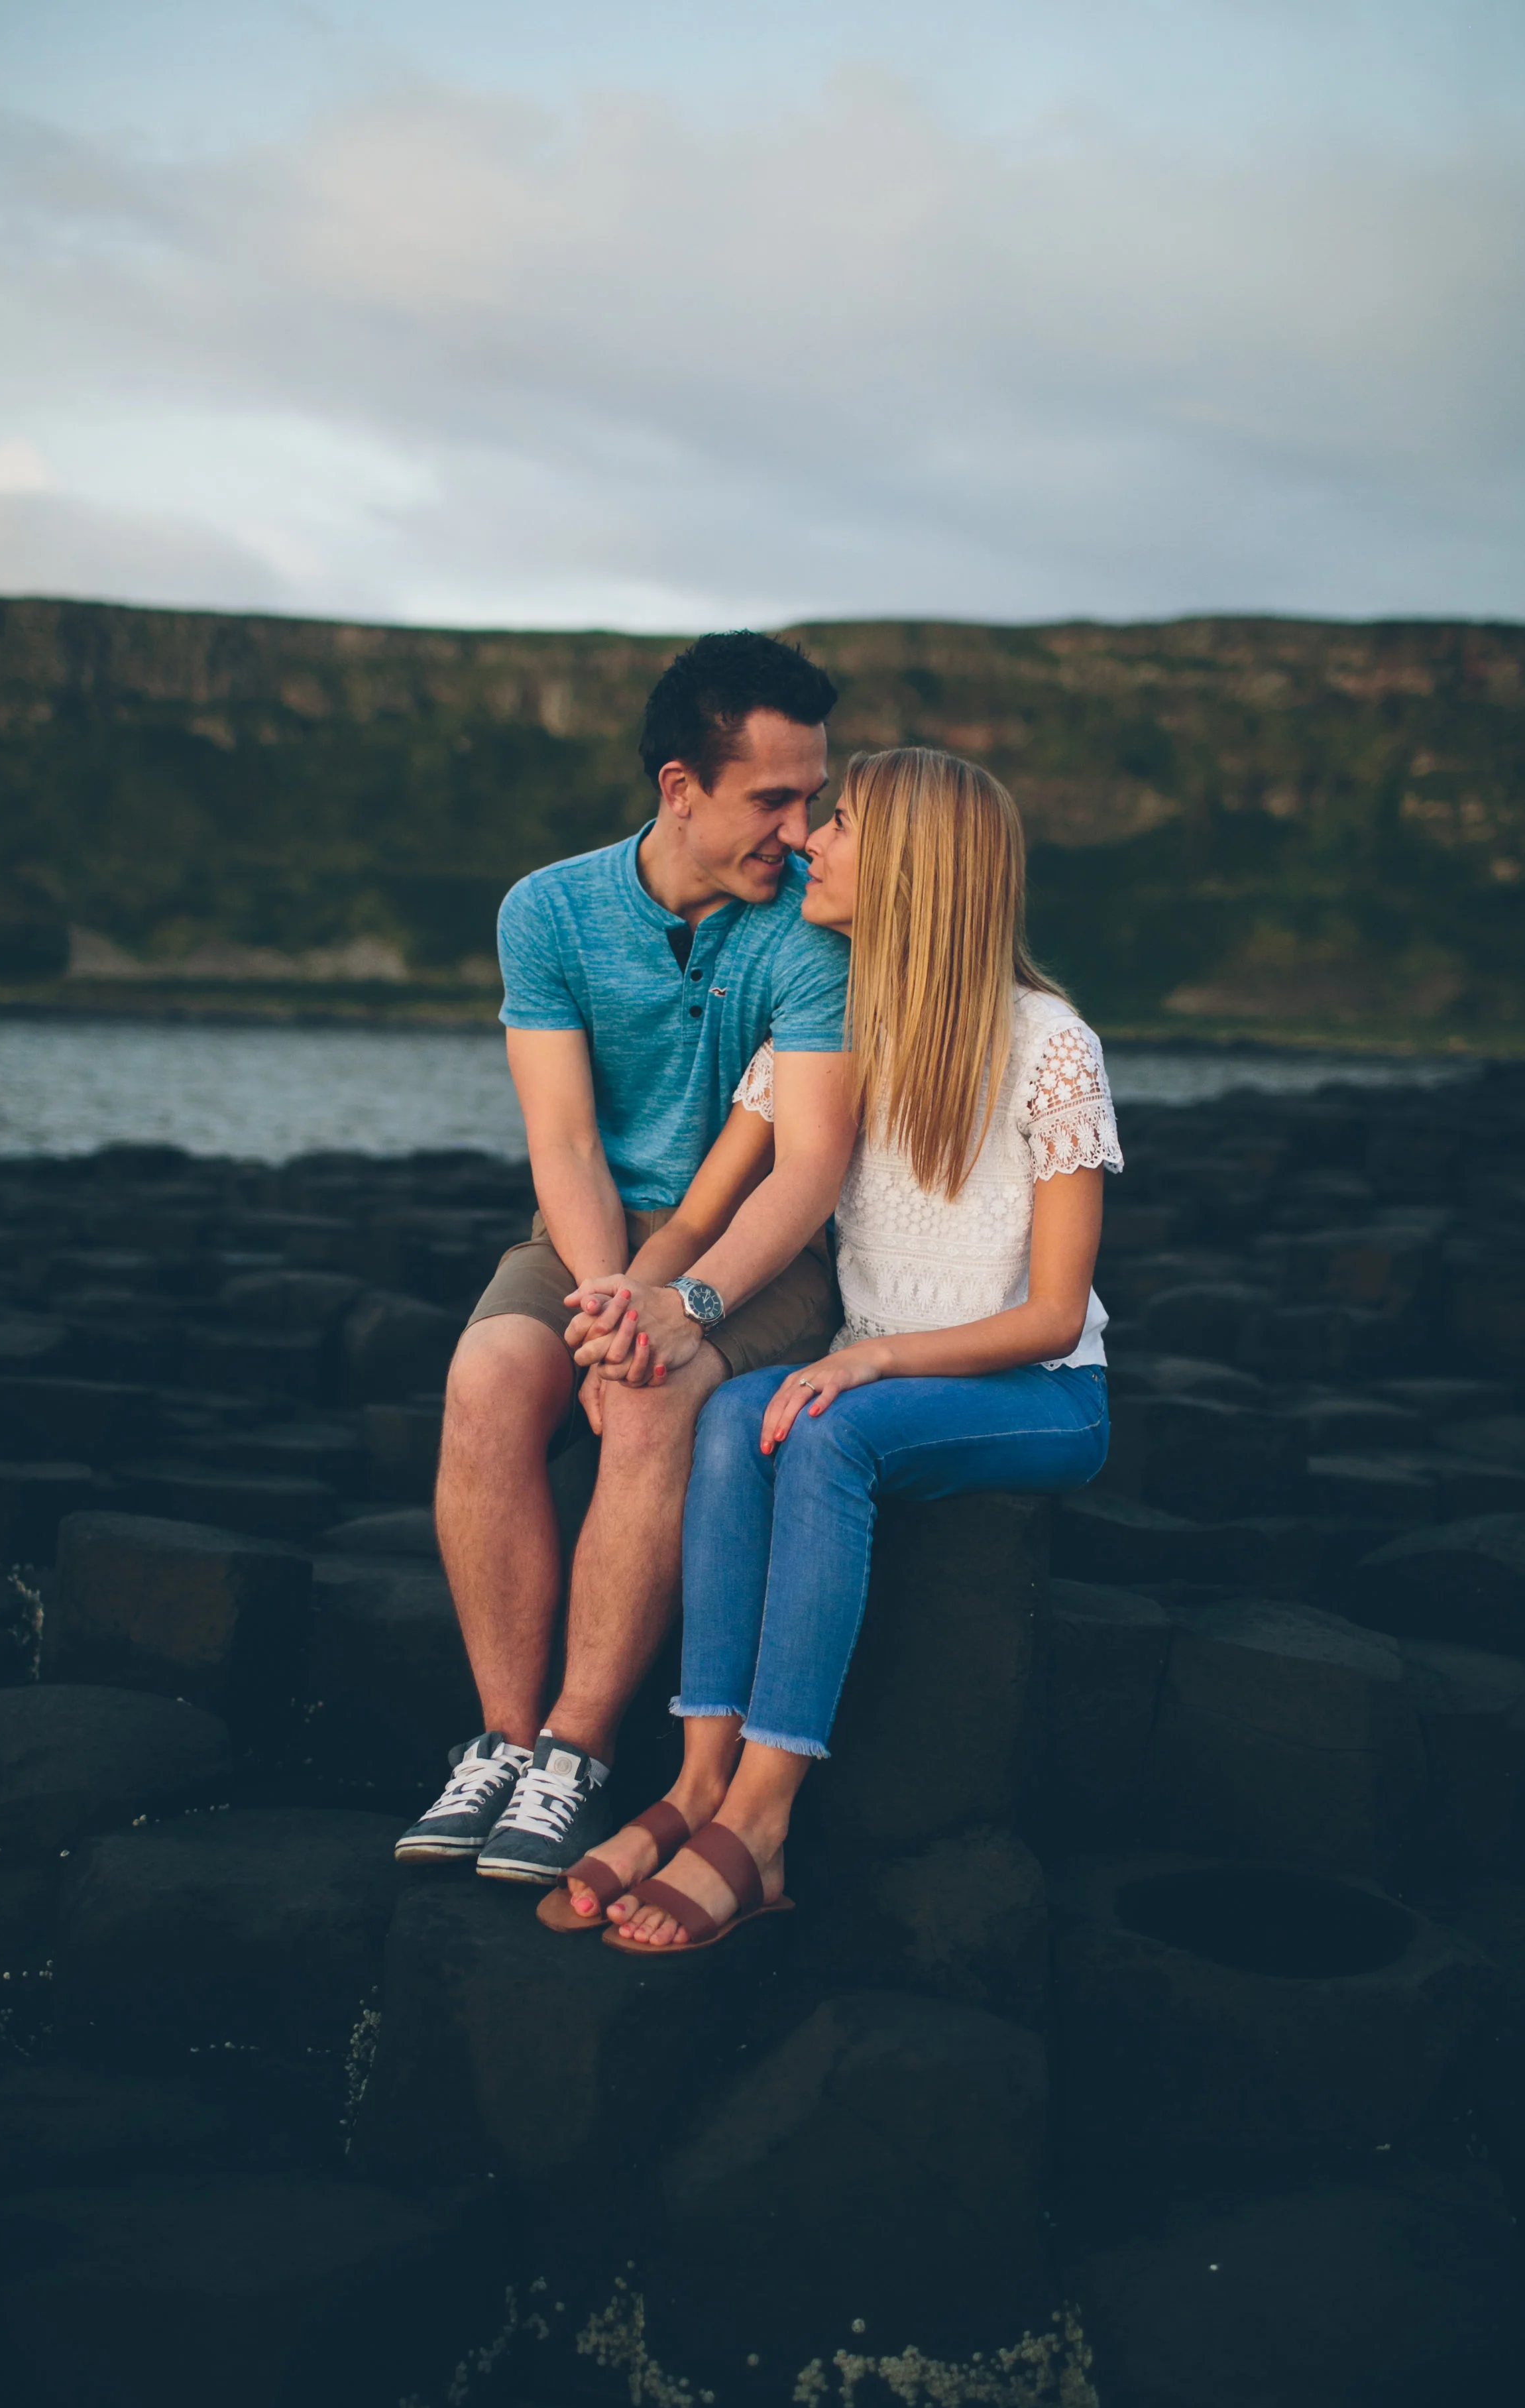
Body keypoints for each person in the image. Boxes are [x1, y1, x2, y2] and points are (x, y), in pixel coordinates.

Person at [551, 744, 1123, 1948]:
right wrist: (625, 1316)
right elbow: (705, 1212)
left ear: (917, 868)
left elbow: (1057, 1315)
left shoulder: (1050, 1042)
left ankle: (760, 1825)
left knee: (824, 1427)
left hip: (1037, 1392)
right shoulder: (825, 1027)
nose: (809, 838)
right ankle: (698, 1781)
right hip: (870, 1369)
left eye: (844, 823)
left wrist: (871, 1360)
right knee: (725, 1412)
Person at [396, 632, 857, 1888]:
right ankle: (500, 1736)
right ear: (680, 789)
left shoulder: (813, 932)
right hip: (586, 1235)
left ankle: (578, 1750)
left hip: (767, 1259)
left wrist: (674, 1308)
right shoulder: (547, 910)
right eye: (775, 797)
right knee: (491, 1372)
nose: (803, 828)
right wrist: (606, 1303)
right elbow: (562, 1141)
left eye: (812, 795)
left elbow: (808, 1171)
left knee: (652, 1395)